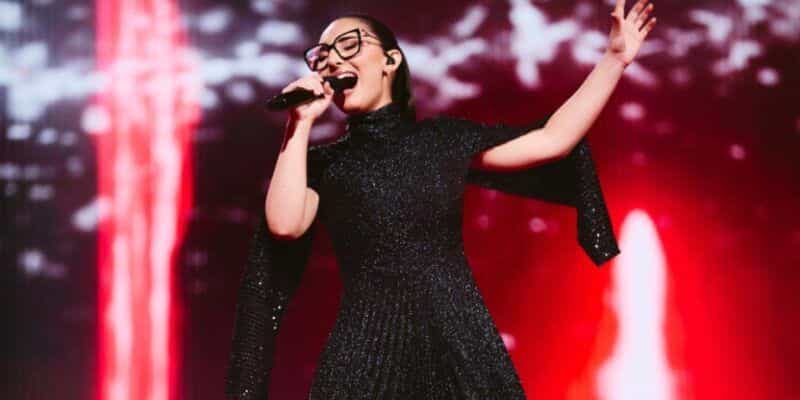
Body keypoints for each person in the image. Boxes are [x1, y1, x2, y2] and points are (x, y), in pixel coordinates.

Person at [226, 2, 654, 398]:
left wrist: (614, 59)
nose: (333, 60)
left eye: (348, 44)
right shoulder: (323, 164)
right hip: (364, 353)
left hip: (457, 338)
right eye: (322, 56)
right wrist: (299, 124)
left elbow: (552, 140)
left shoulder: (441, 141)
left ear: (391, 61)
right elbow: (284, 225)